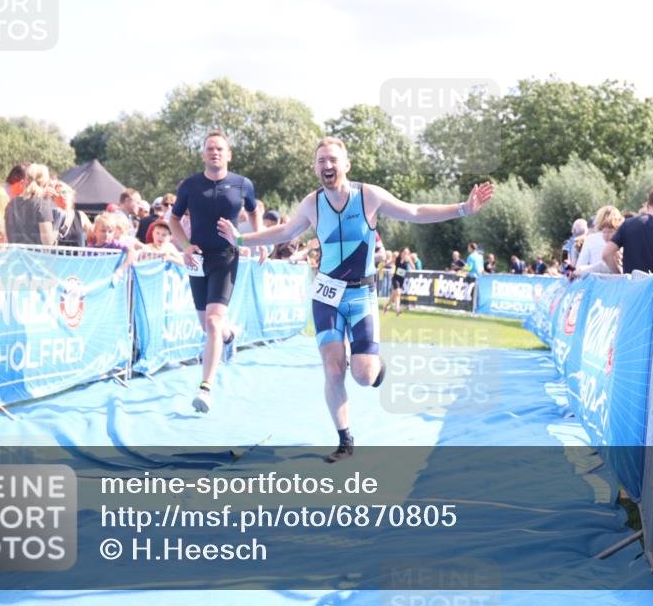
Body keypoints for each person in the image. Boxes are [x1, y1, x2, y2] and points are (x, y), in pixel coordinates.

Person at [221, 137, 493, 462]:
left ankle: (376, 368)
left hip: (361, 294)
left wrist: (463, 208)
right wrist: (240, 239)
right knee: (333, 368)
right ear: (315, 167)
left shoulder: (369, 196)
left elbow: (415, 211)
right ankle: (345, 440)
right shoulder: (312, 203)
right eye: (321, 161)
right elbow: (284, 233)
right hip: (326, 295)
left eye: (333, 159)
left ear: (346, 164)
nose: (327, 166)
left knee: (363, 375)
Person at [168, 130, 266, 414]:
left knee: (212, 322)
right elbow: (173, 218)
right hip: (197, 259)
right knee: (209, 326)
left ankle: (205, 388)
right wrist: (185, 245)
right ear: (203, 154)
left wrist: (256, 240)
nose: (215, 153)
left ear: (229, 154)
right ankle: (229, 334)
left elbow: (255, 210)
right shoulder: (190, 185)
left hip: (226, 256)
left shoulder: (242, 184)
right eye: (210, 149)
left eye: (220, 149)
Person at [603, 186, 653, 275]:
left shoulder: (628, 224)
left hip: (633, 285)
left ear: (648, 206)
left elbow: (606, 254)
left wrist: (618, 274)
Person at [4, 163, 57, 246]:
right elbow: (48, 242)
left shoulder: (11, 203)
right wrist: (57, 229)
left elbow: (6, 237)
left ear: (25, 181)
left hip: (14, 256)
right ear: (46, 183)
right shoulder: (42, 204)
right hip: (35, 257)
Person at [575, 205, 624, 276]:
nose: (606, 235)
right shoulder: (624, 239)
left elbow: (580, 266)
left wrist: (582, 270)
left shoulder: (591, 239)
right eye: (605, 232)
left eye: (610, 231)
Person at [383, 247, 413, 315]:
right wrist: (402, 260)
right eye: (405, 252)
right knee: (398, 293)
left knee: (394, 296)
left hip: (401, 279)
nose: (406, 254)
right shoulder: (397, 258)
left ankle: (386, 306)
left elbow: (413, 268)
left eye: (407, 252)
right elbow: (394, 264)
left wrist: (410, 261)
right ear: (401, 252)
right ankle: (397, 309)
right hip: (395, 278)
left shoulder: (407, 260)